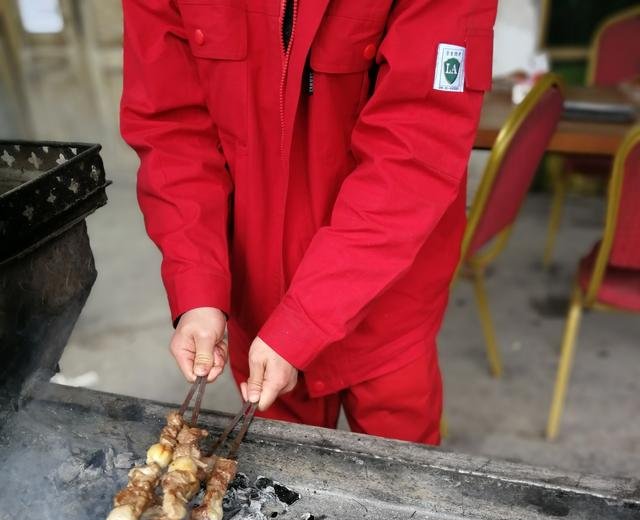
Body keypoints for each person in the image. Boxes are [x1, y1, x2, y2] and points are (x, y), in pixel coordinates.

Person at [121, 0, 497, 443]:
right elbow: (172, 130)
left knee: (402, 468)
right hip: (257, 294)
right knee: (281, 473)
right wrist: (198, 287)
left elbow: (412, 156)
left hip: (387, 300)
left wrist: (303, 323)